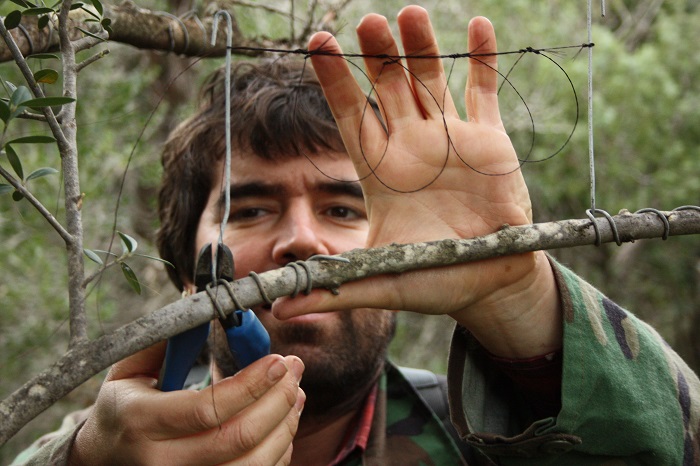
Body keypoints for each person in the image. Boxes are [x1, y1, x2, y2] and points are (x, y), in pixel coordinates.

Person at [13, 6, 699, 465]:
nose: (301, 241)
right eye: (250, 210)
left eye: (344, 209)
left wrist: (518, 295)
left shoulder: (486, 445)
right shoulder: (107, 448)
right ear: (187, 268)